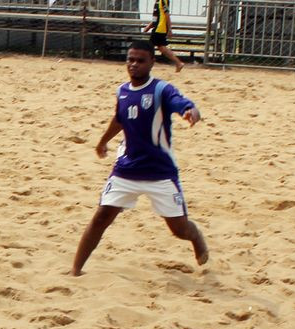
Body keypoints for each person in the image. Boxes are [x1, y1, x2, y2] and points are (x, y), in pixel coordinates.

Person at [70, 40, 207, 276]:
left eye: (140, 60)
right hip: (127, 170)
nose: (134, 65)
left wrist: (190, 112)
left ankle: (197, 239)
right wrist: (103, 141)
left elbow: (183, 104)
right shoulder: (122, 91)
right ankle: (75, 270)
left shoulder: (161, 90)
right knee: (101, 217)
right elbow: (120, 118)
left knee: (180, 230)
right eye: (130, 60)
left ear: (152, 62)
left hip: (159, 172)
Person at [143, 0, 184, 72]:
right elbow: (155, 18)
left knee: (150, 47)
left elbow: (167, 15)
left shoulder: (163, 1)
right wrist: (148, 27)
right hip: (158, 28)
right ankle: (178, 63)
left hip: (160, 28)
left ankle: (146, 64)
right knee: (161, 47)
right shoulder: (157, 2)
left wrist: (169, 29)